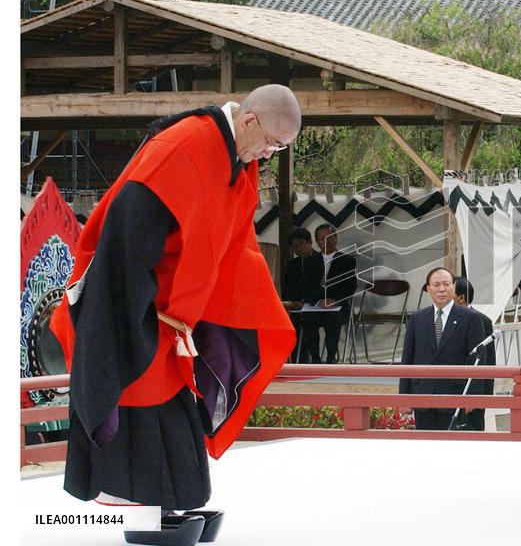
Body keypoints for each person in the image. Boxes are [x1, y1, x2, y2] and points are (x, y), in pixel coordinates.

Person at [49, 84, 301, 545]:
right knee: (138, 403)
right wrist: (139, 325)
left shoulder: (236, 157)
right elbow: (124, 241)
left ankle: (174, 507)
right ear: (249, 121)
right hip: (132, 306)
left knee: (178, 415)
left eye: (279, 148)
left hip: (171, 317)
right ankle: (140, 520)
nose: (270, 153)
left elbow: (231, 244)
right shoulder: (183, 146)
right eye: (273, 143)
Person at [399, 268, 488, 430]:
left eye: (446, 284)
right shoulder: (417, 318)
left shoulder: (470, 318)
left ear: (453, 287)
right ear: (428, 289)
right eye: (436, 285)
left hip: (456, 395)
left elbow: (479, 360)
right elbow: (408, 358)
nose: (441, 289)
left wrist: (473, 396)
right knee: (427, 447)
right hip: (423, 395)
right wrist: (405, 397)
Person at [453, 276, 496, 431]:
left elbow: (488, 360)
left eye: (449, 288)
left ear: (461, 297)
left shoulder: (482, 320)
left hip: (471, 390)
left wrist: (481, 397)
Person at [314, 223, 358, 364]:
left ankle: (331, 357)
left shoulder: (347, 261)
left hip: (337, 305)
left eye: (330, 237)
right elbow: (307, 286)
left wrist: (335, 300)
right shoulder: (311, 261)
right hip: (316, 305)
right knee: (307, 319)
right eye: (322, 239)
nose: (326, 241)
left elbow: (350, 287)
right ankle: (314, 359)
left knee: (332, 318)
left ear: (336, 238)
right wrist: (317, 301)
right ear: (317, 242)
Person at [281, 226, 325, 363]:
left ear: (310, 243)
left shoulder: (321, 260)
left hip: (315, 304)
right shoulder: (292, 264)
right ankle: (295, 360)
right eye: (294, 246)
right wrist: (291, 302)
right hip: (296, 305)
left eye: (301, 244)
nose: (298, 248)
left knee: (310, 320)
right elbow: (287, 287)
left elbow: (320, 286)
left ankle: (315, 358)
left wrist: (306, 301)